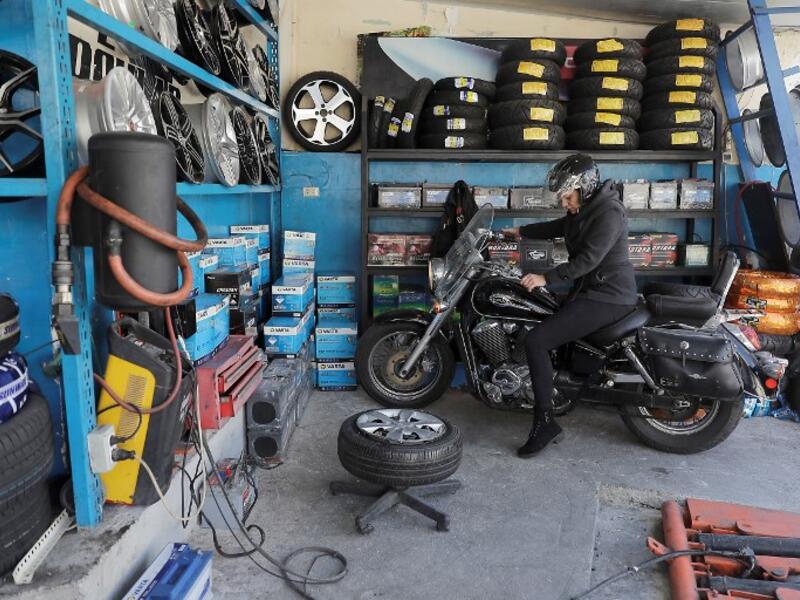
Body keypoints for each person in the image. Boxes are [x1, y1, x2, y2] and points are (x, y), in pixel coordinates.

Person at [502, 154, 638, 459]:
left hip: (608, 296)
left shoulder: (609, 213)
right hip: (590, 290)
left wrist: (546, 278)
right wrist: (521, 232)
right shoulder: (585, 209)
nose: (564, 201)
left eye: (567, 195)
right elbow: (559, 226)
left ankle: (545, 423)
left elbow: (588, 259)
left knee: (536, 340)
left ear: (585, 188)